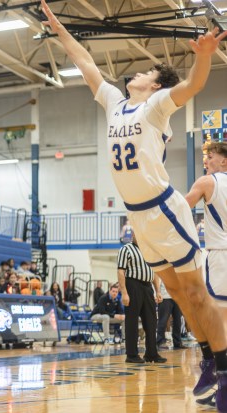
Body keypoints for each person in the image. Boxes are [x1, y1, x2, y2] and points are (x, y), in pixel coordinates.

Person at [42, 0, 227, 406]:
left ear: (155, 84)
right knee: (178, 295)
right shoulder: (112, 101)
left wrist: (204, 58)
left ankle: (223, 366)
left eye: (145, 71)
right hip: (138, 219)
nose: (137, 72)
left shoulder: (156, 106)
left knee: (196, 293)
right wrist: (60, 31)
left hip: (164, 208)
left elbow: (193, 86)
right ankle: (211, 360)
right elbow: (86, 61)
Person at [185, 142, 227, 403]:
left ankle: (216, 372)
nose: (206, 161)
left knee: (215, 321)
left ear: (224, 161)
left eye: (210, 157)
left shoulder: (207, 182)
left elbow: (179, 209)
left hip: (221, 255)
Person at [117, 232, 166, 363]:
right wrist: (124, 293)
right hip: (133, 285)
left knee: (151, 321)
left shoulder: (150, 251)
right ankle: (132, 355)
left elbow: (154, 272)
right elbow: (121, 271)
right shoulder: (125, 249)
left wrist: (158, 291)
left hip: (148, 287)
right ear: (133, 235)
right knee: (132, 321)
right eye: (136, 233)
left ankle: (151, 354)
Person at [156, 278, 183, 350]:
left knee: (178, 320)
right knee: (163, 320)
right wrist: (157, 292)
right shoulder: (162, 266)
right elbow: (157, 279)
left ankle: (177, 342)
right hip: (165, 296)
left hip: (177, 296)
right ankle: (160, 341)